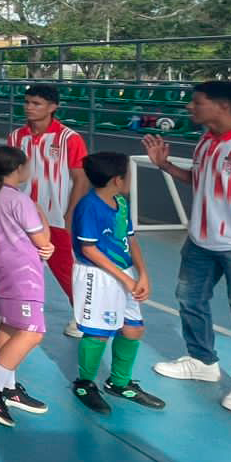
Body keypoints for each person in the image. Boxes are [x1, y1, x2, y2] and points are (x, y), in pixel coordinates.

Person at [142, 81, 231, 415]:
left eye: (197, 102)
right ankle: (202, 360)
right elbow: (201, 180)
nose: (189, 108)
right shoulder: (206, 142)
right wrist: (165, 165)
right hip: (200, 243)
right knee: (190, 300)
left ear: (222, 105)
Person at [69, 151, 165, 414]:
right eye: (128, 174)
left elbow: (130, 239)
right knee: (98, 333)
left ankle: (119, 382)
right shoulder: (89, 206)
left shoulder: (120, 202)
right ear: (117, 179)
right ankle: (84, 383)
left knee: (133, 328)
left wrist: (142, 274)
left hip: (124, 273)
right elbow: (89, 249)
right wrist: (124, 278)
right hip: (97, 276)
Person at [0, 83, 89, 338]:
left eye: (37, 104)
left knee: (65, 268)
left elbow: (80, 178)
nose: (29, 108)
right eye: (27, 103)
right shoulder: (15, 137)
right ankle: (6, 313)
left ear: (53, 107)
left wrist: (71, 212)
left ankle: (81, 317)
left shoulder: (69, 138)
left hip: (55, 216)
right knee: (10, 266)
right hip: (18, 217)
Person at [0, 145, 55, 428]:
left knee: (10, 325)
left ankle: (9, 386)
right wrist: (44, 222)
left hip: (2, 270)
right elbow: (42, 240)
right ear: (19, 169)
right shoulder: (20, 200)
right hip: (23, 274)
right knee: (33, 331)